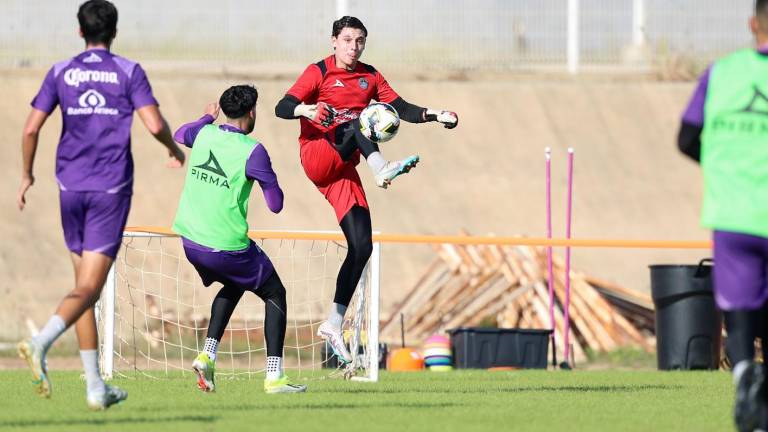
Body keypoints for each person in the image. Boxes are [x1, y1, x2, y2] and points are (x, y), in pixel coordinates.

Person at [16, 0, 185, 410]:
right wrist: (174, 150)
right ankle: (39, 344)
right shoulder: (127, 71)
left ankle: (95, 386)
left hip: (68, 188)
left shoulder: (61, 71)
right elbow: (155, 124)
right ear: (114, 32)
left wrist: (27, 175)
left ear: (79, 32)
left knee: (82, 288)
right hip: (109, 189)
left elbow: (31, 128)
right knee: (90, 288)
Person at [275, 16, 458, 364]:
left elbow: (400, 108)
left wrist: (435, 113)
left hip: (343, 168)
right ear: (333, 41)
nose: (353, 47)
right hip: (317, 154)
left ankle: (333, 323)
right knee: (359, 122)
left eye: (359, 40)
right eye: (347, 40)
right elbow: (281, 107)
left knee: (362, 246)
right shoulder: (319, 72)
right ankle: (380, 167)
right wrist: (307, 108)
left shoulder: (370, 76)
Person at [172, 85, 306, 394]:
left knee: (236, 283)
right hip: (225, 245)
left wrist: (206, 117)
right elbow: (276, 205)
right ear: (252, 112)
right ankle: (274, 377)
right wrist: (269, 179)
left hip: (191, 241)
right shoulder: (253, 150)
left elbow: (181, 133)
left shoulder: (203, 134)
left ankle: (207, 354)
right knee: (275, 292)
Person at [678, 1, 768, 429]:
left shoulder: (721, 73)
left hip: (733, 215)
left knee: (741, 308)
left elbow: (686, 137)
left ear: (753, 24)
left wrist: (724, 168)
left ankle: (746, 372)